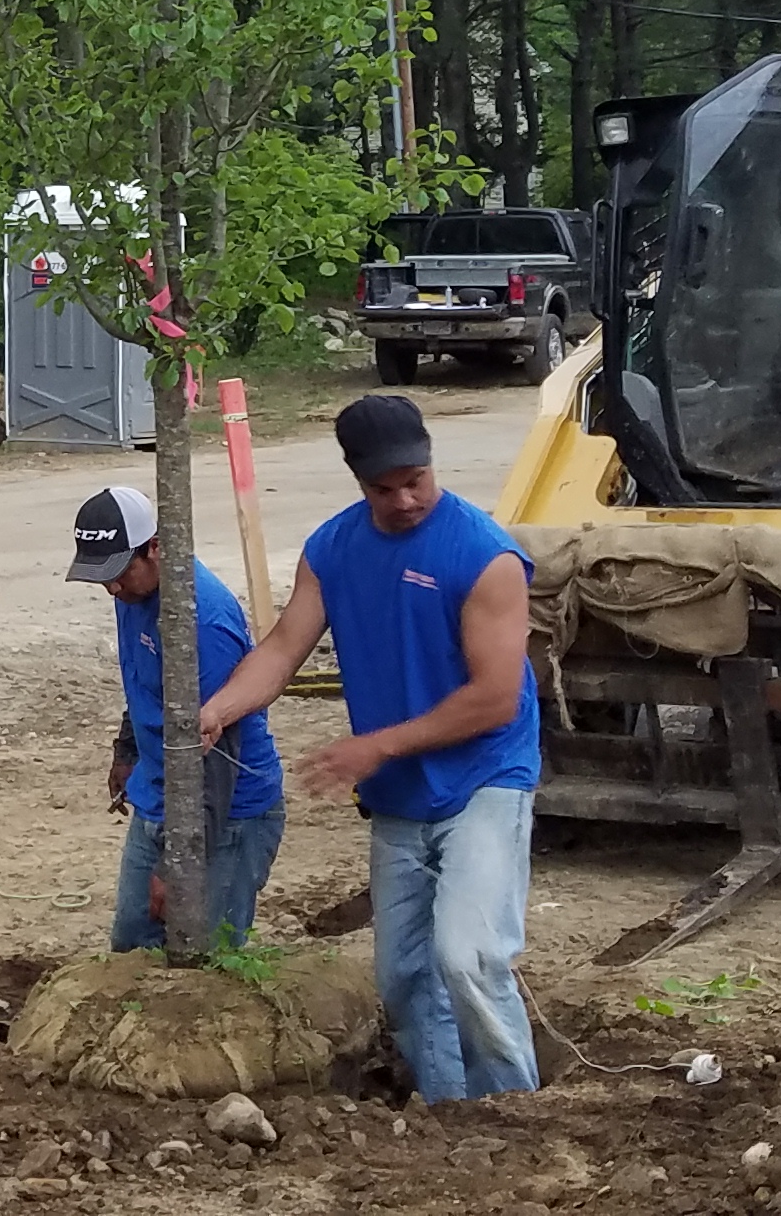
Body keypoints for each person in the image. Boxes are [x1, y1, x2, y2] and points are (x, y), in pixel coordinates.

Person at [201, 393, 540, 1100]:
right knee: (403, 975)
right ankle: (450, 1106)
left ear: (430, 460)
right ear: (358, 480)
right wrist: (218, 709)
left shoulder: (483, 555)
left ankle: (513, 1111)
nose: (406, 499)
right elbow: (285, 645)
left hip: (484, 778)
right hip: (399, 798)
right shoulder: (333, 548)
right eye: (384, 489)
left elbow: (495, 698)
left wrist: (376, 746)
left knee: (469, 956)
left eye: (416, 480)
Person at [65, 484, 283, 954]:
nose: (111, 587)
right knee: (133, 943)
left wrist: (179, 863)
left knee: (205, 956)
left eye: (119, 571)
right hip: (159, 797)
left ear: (156, 548)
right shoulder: (131, 594)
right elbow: (146, 682)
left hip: (227, 815)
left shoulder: (203, 621)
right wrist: (127, 751)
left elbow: (220, 750)